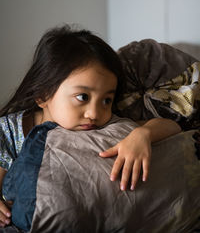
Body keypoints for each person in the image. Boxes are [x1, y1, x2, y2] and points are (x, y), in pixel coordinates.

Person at [0, 25, 181, 228]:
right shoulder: (9, 131)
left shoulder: (108, 124)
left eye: (106, 100)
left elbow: (172, 127)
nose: (94, 113)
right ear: (43, 94)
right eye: (82, 97)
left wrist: (143, 134)